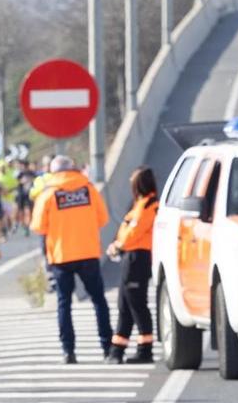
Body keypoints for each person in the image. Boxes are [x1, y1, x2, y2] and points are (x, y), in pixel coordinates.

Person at [30, 154, 114, 364]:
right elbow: (103, 219)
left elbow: (38, 226)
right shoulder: (89, 189)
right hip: (88, 252)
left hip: (60, 256)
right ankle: (107, 347)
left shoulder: (48, 193)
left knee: (64, 303)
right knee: (99, 301)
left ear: (53, 172)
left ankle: (69, 351)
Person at [108, 166, 160, 363]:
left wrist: (119, 246)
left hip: (139, 258)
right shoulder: (140, 204)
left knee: (137, 304)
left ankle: (145, 349)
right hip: (131, 256)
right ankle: (117, 350)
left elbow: (134, 232)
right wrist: (117, 244)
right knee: (125, 304)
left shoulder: (149, 205)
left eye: (133, 180)